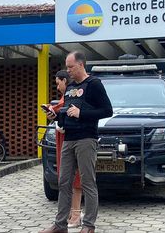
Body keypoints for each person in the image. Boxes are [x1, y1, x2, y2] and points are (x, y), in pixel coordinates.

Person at [40, 51, 113, 233]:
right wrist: (55, 115)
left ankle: (88, 225)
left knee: (88, 182)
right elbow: (66, 112)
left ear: (81, 65)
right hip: (69, 139)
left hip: (86, 139)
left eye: (71, 67)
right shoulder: (71, 87)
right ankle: (60, 225)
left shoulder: (94, 84)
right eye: (67, 66)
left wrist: (82, 114)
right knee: (64, 182)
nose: (68, 70)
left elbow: (107, 111)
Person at [44, 70, 83, 228]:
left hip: (75, 140)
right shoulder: (64, 97)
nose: (58, 87)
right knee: (66, 179)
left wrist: (53, 110)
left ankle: (76, 214)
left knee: (76, 179)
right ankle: (69, 213)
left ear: (65, 81)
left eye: (59, 83)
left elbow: (63, 109)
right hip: (64, 141)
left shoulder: (73, 96)